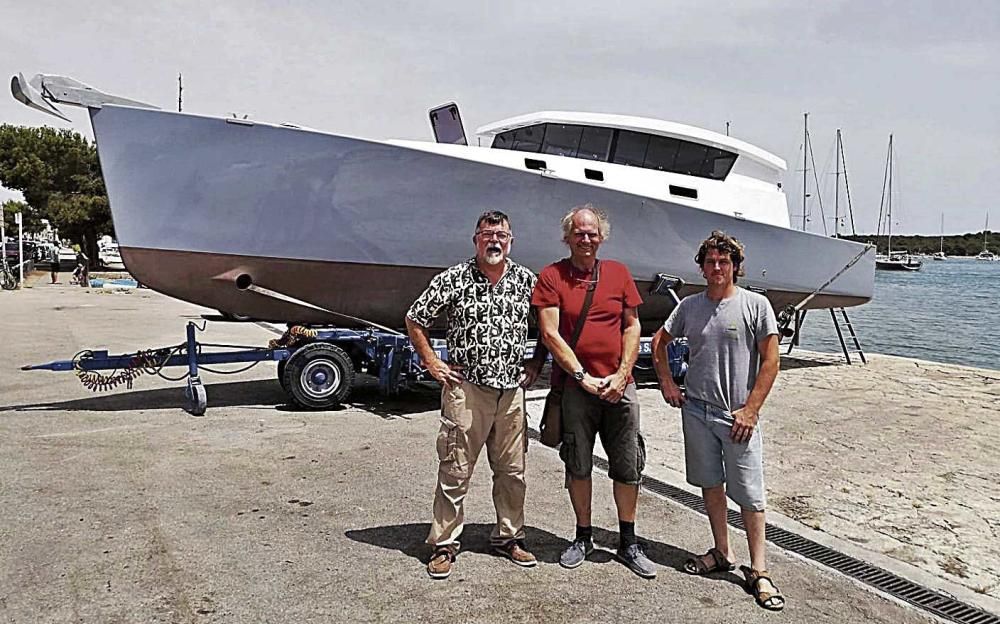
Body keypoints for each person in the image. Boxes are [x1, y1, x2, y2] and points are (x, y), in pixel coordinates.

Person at [406, 210, 546, 580]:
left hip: (511, 393)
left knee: (513, 472)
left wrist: (536, 362)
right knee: (455, 469)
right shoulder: (455, 277)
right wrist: (432, 362)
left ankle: (509, 536)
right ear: (476, 240)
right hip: (466, 390)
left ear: (511, 240)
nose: (494, 241)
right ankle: (444, 544)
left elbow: (547, 326)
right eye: (487, 235)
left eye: (501, 235)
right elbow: (415, 317)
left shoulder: (525, 281)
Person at [651, 230, 785, 611]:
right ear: (701, 266)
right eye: (710, 262)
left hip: (737, 416)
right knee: (710, 484)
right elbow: (660, 342)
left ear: (735, 267)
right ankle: (722, 552)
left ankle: (759, 569)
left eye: (723, 262)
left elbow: (771, 362)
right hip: (697, 411)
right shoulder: (690, 307)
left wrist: (751, 409)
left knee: (749, 494)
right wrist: (667, 383)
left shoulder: (756, 306)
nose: (716, 268)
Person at [531, 204, 655, 579]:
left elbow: (632, 327)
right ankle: (582, 536)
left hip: (620, 386)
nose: (586, 239)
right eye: (579, 233)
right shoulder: (552, 276)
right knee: (578, 464)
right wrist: (582, 375)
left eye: (592, 233)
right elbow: (549, 333)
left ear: (602, 237)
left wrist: (622, 375)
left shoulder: (618, 273)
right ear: (567, 237)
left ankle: (628, 541)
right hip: (576, 388)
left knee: (628, 466)